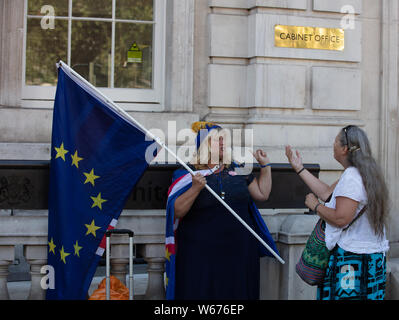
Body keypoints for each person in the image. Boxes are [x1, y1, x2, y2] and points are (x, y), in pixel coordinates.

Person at [164, 121, 279, 300]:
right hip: (201, 252)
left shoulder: (239, 169)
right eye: (218, 140)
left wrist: (266, 166)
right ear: (204, 145)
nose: (224, 143)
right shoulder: (187, 173)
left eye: (225, 139)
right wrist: (195, 188)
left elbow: (262, 194)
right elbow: (177, 211)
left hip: (240, 249)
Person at [285, 125, 390, 300]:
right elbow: (328, 193)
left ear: (344, 149)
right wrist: (299, 168)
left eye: (335, 141)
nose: (332, 145)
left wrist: (315, 206)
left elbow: (341, 218)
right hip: (371, 258)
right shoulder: (366, 174)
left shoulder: (351, 177)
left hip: (351, 259)